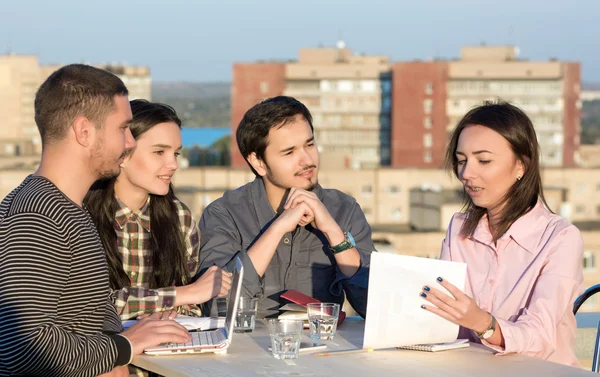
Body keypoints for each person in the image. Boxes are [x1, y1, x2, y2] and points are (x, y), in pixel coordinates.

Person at [0, 64, 192, 377]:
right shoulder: (38, 217)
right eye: (123, 128)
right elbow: (19, 348)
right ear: (84, 131)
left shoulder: (68, 209)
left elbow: (81, 321)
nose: (130, 141)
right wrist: (123, 347)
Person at [419, 101, 583, 367]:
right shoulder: (459, 228)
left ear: (521, 166)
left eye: (483, 160)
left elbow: (540, 336)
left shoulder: (561, 238)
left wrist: (482, 323)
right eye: (461, 161)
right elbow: (446, 320)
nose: (466, 174)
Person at [198, 96, 374, 318]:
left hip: (324, 350)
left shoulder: (344, 209)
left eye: (309, 145)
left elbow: (376, 308)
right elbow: (217, 308)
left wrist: (334, 233)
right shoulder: (224, 215)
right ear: (258, 163)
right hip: (248, 351)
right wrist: (277, 229)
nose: (306, 160)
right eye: (289, 152)